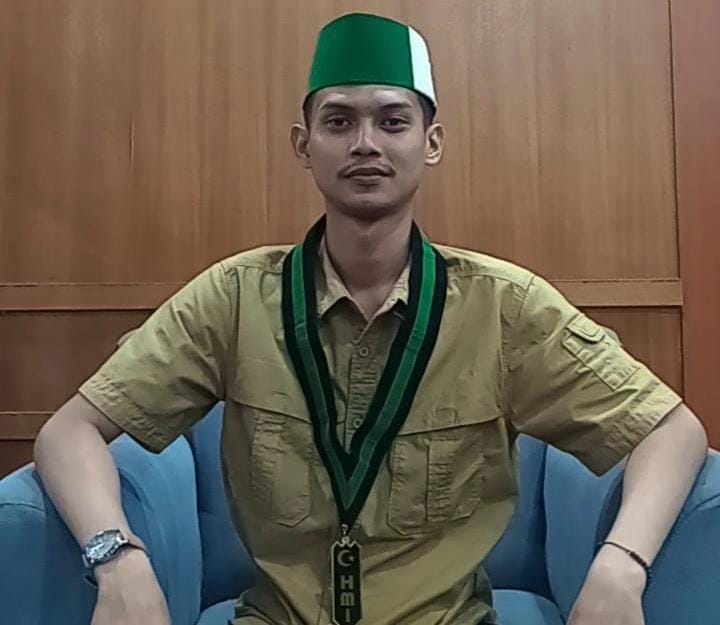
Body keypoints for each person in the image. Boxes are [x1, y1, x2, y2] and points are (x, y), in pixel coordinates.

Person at [33, 12, 708, 625]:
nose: (365, 143)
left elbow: (672, 430)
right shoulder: (234, 299)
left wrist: (622, 564)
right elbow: (69, 432)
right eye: (338, 122)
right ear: (303, 145)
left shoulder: (504, 307)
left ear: (431, 142)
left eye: (392, 121)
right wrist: (116, 558)